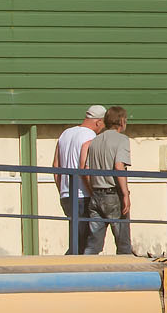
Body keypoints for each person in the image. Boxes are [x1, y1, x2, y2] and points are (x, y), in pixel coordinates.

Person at [81, 105, 133, 255]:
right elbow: (119, 166)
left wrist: (93, 190)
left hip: (96, 195)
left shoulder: (95, 141)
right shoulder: (122, 140)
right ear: (121, 121)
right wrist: (125, 194)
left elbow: (87, 170)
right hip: (113, 195)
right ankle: (125, 269)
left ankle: (85, 267)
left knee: (93, 245)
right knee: (123, 244)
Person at [54, 104, 102, 254]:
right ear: (98, 122)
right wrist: (93, 193)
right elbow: (84, 169)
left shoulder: (65, 134)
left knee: (77, 241)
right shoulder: (90, 137)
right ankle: (68, 267)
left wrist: (62, 190)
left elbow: (56, 167)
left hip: (66, 195)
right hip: (83, 195)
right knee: (84, 243)